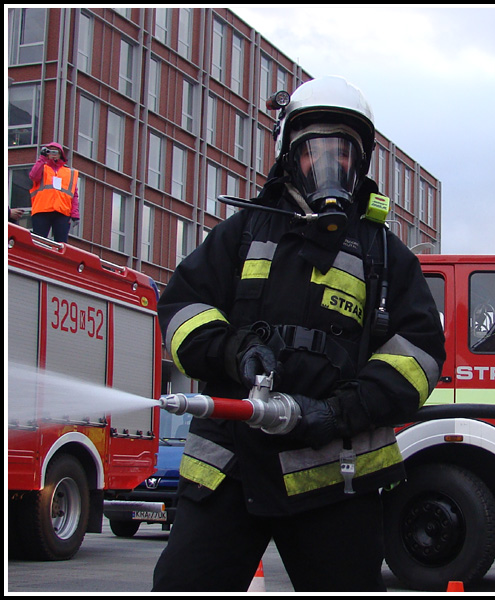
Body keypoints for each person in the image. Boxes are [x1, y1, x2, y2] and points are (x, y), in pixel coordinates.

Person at [152, 76, 445, 592]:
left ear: (361, 163)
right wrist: (234, 349)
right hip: (229, 471)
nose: (330, 165)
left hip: (334, 478)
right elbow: (181, 309)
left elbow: (418, 358)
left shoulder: (385, 256)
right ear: (290, 157)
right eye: (315, 150)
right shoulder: (240, 234)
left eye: (343, 151)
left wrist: (337, 412)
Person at [29, 142, 80, 242]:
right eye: (49, 151)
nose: (53, 153)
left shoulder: (70, 172)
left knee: (61, 245)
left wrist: (75, 214)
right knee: (39, 242)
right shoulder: (42, 167)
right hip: (42, 210)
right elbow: (33, 176)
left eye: (55, 151)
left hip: (62, 212)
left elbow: (74, 195)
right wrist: (42, 159)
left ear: (60, 154)